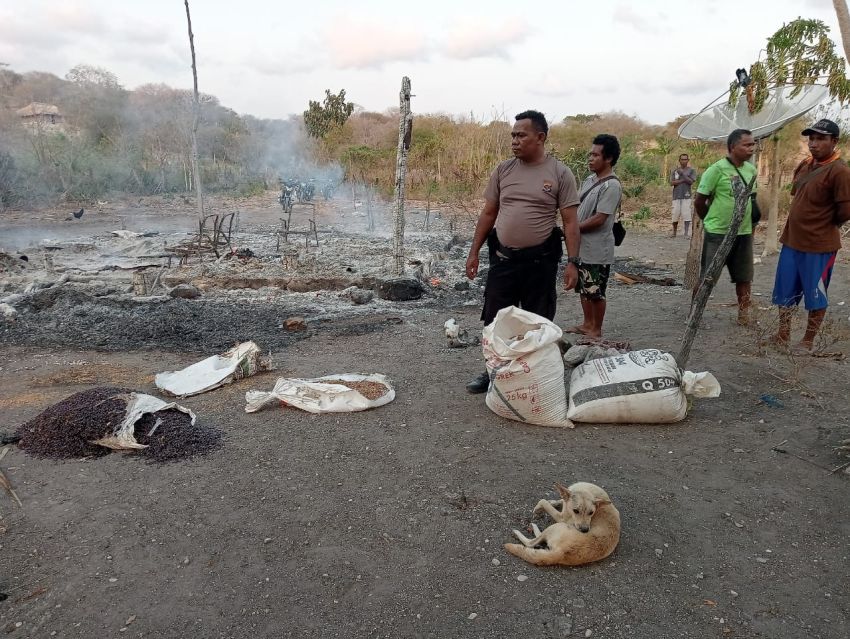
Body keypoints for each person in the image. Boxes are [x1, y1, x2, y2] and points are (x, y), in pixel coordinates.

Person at [464, 110, 581, 393]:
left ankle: (532, 374)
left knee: (537, 320)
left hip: (540, 261)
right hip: (504, 259)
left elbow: (570, 222)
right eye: (513, 136)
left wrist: (573, 262)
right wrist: (474, 251)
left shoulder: (559, 173)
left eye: (521, 135)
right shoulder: (503, 170)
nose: (514, 141)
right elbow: (489, 213)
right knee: (495, 319)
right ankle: (493, 372)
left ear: (540, 138)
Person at [769, 119, 850, 353]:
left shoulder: (840, 171)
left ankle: (807, 341)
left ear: (834, 142)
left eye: (820, 139)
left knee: (816, 294)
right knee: (785, 290)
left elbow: (845, 209)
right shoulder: (805, 164)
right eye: (811, 138)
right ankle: (782, 334)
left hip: (819, 246)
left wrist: (822, 225)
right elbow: (797, 193)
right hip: (792, 241)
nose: (814, 143)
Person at [693, 129, 757, 326]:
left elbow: (752, 199)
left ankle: (744, 316)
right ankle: (695, 314)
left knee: (744, 278)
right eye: (746, 145)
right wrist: (709, 221)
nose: (751, 148)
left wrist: (752, 224)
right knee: (708, 277)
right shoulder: (716, 170)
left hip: (743, 233)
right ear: (732, 147)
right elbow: (699, 201)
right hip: (718, 233)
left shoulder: (751, 170)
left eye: (752, 144)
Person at [565, 134, 622, 338]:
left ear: (608, 159)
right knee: (583, 288)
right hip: (582, 246)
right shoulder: (590, 180)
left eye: (595, 155)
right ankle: (587, 323)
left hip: (597, 248)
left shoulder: (612, 186)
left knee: (595, 291)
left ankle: (596, 329)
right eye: (590, 154)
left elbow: (600, 218)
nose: (590, 158)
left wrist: (574, 229)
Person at [670, 153, 696, 238]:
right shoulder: (675, 171)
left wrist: (682, 174)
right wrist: (683, 180)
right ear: (679, 160)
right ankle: (674, 233)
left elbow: (691, 182)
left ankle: (686, 233)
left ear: (688, 160)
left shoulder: (691, 170)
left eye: (685, 159)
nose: (684, 161)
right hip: (676, 196)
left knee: (686, 214)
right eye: (682, 159)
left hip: (686, 195)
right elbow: (672, 183)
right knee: (675, 214)